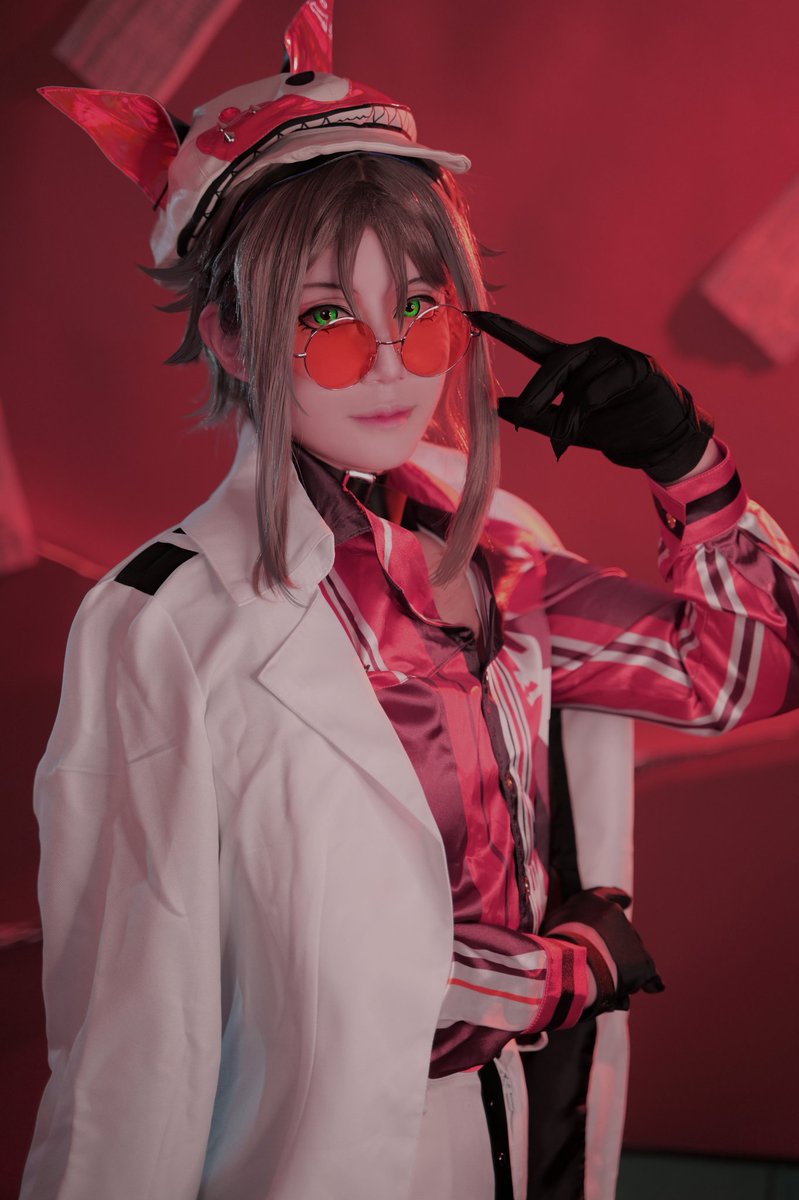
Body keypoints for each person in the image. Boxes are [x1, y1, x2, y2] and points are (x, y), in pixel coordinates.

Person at [24, 3, 799, 1198]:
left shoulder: (497, 552)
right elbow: (137, 1034)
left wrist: (686, 465)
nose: (389, 363)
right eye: (327, 321)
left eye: (421, 306)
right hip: (318, 1152)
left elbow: (741, 675)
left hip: (523, 1127)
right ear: (230, 335)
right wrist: (550, 974)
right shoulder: (166, 624)